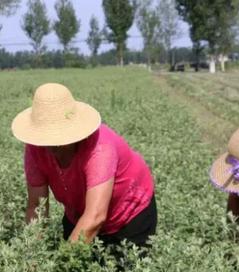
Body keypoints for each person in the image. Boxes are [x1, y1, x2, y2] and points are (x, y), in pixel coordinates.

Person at [11, 83, 157, 249]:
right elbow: (37, 206)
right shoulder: (35, 148)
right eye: (46, 137)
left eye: (57, 137)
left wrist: (61, 265)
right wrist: (33, 255)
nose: (51, 145)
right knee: (77, 267)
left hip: (129, 216)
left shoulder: (100, 147)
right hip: (80, 213)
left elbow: (95, 217)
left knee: (124, 271)